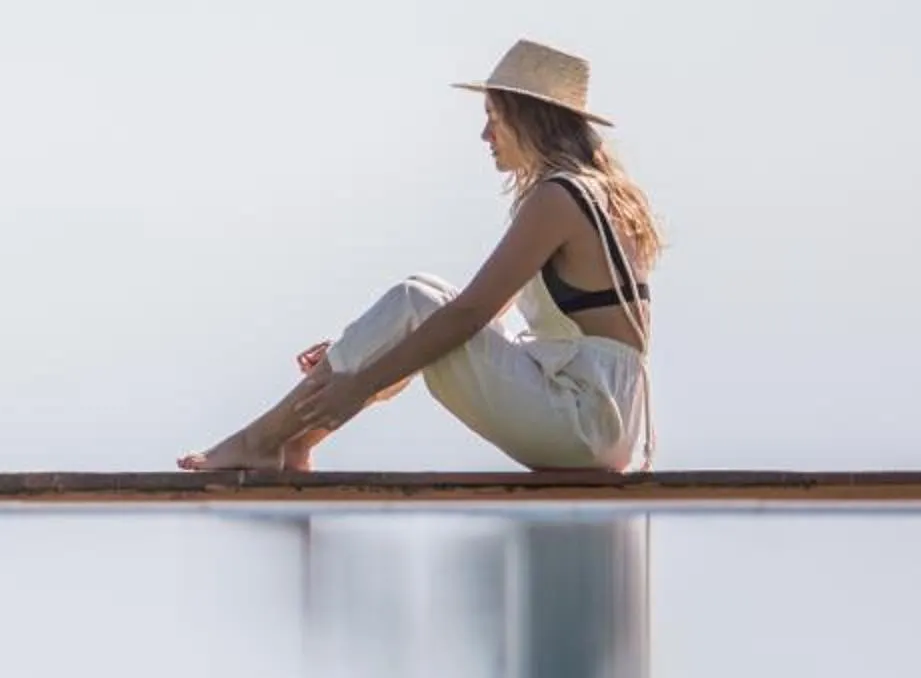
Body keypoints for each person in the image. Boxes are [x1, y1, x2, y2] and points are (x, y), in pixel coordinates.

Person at [177, 39, 662, 474]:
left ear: (527, 119)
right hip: (605, 418)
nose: (484, 137)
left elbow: (469, 315)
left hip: (581, 421)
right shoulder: (598, 192)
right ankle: (294, 443)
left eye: (493, 119)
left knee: (417, 301)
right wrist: (367, 346)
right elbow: (480, 309)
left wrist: (360, 383)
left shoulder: (558, 197)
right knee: (425, 297)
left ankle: (259, 440)